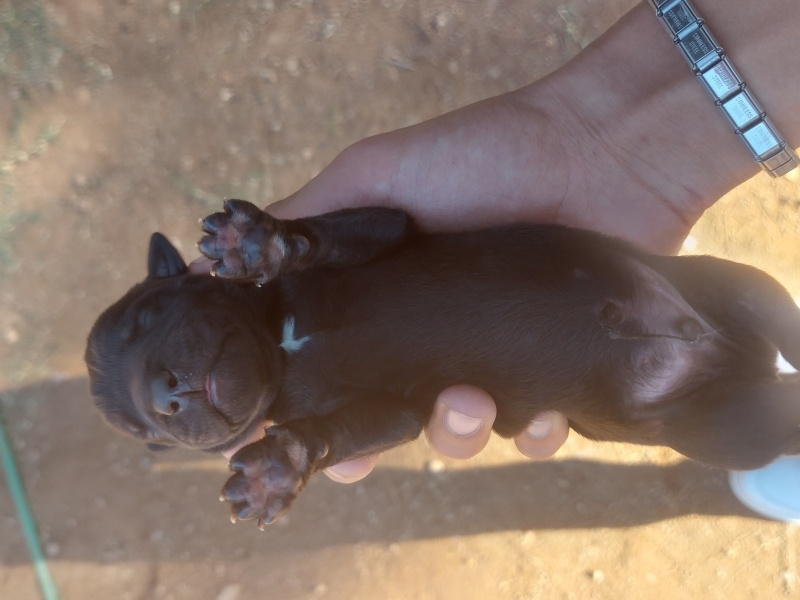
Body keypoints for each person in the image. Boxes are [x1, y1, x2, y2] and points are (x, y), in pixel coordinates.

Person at [197, 0, 800, 521]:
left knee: (752, 303)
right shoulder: (300, 407)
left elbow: (384, 228)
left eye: (148, 326)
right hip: (656, 399)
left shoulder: (286, 282)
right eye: (157, 423)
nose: (168, 394)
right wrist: (307, 447)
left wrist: (292, 243)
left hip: (672, 293)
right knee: (746, 432)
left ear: (180, 282)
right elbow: (398, 418)